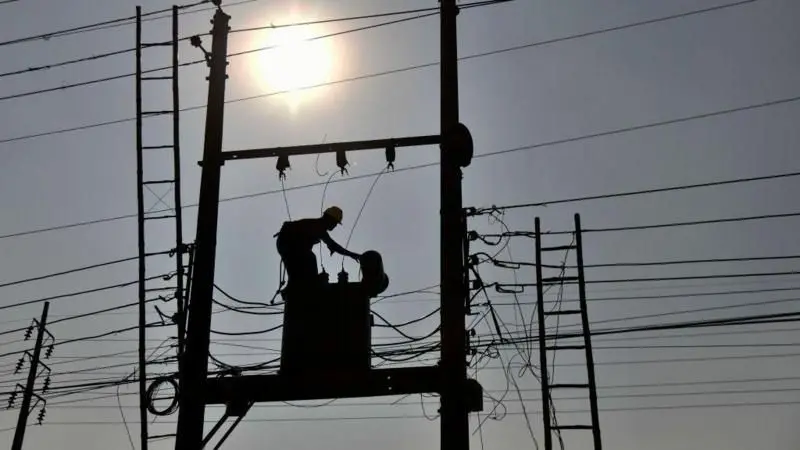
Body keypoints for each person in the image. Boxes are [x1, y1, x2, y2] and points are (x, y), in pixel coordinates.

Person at [275, 206, 361, 290]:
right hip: (288, 244)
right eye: (335, 223)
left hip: (286, 244)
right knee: (309, 258)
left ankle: (303, 285)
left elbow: (330, 243)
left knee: (306, 264)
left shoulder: (317, 225)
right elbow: (333, 245)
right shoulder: (318, 226)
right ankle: (307, 285)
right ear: (329, 219)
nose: (335, 226)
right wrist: (352, 254)